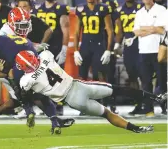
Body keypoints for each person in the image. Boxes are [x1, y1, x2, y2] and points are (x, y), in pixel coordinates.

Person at [18, 49, 167, 134]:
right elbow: (42, 52)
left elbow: (27, 96)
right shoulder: (45, 56)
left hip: (73, 101)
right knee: (119, 90)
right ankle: (157, 98)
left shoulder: (26, 80)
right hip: (79, 87)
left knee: (107, 114)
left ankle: (136, 129)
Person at [0, 35, 74, 135]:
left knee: (24, 96)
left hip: (24, 63)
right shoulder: (8, 41)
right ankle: (47, 118)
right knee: (29, 95)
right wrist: (8, 75)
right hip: (25, 62)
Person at [32, 0, 70, 115]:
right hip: (42, 47)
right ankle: (48, 105)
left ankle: (59, 104)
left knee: (57, 77)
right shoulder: (38, 8)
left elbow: (66, 29)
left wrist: (64, 48)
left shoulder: (61, 8)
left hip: (56, 47)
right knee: (43, 77)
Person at [133, 0, 166, 116]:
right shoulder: (139, 12)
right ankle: (149, 109)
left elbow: (162, 30)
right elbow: (136, 31)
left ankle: (164, 107)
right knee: (145, 82)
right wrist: (152, 28)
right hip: (144, 51)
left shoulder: (161, 10)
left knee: (162, 82)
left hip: (159, 50)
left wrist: (145, 29)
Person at [118, 0, 143, 115]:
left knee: (144, 75)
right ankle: (138, 103)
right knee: (132, 75)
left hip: (141, 44)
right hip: (128, 46)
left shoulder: (141, 7)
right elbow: (119, 30)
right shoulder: (121, 9)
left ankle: (147, 103)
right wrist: (117, 45)